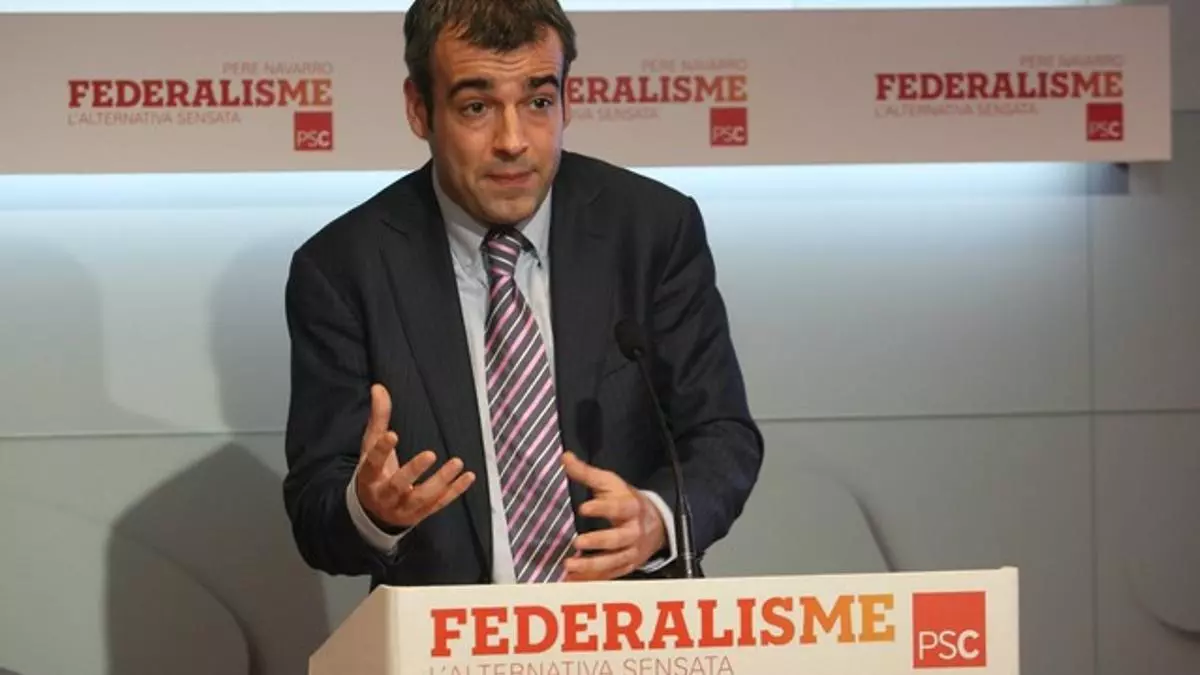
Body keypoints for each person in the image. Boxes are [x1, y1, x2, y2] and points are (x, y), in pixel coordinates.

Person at [282, 0, 763, 587]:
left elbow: (721, 435)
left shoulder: (651, 230)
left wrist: (657, 520)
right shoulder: (343, 268)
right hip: (447, 632)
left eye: (538, 102)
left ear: (567, 100)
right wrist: (371, 510)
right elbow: (316, 509)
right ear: (419, 109)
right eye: (476, 107)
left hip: (631, 623)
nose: (513, 141)